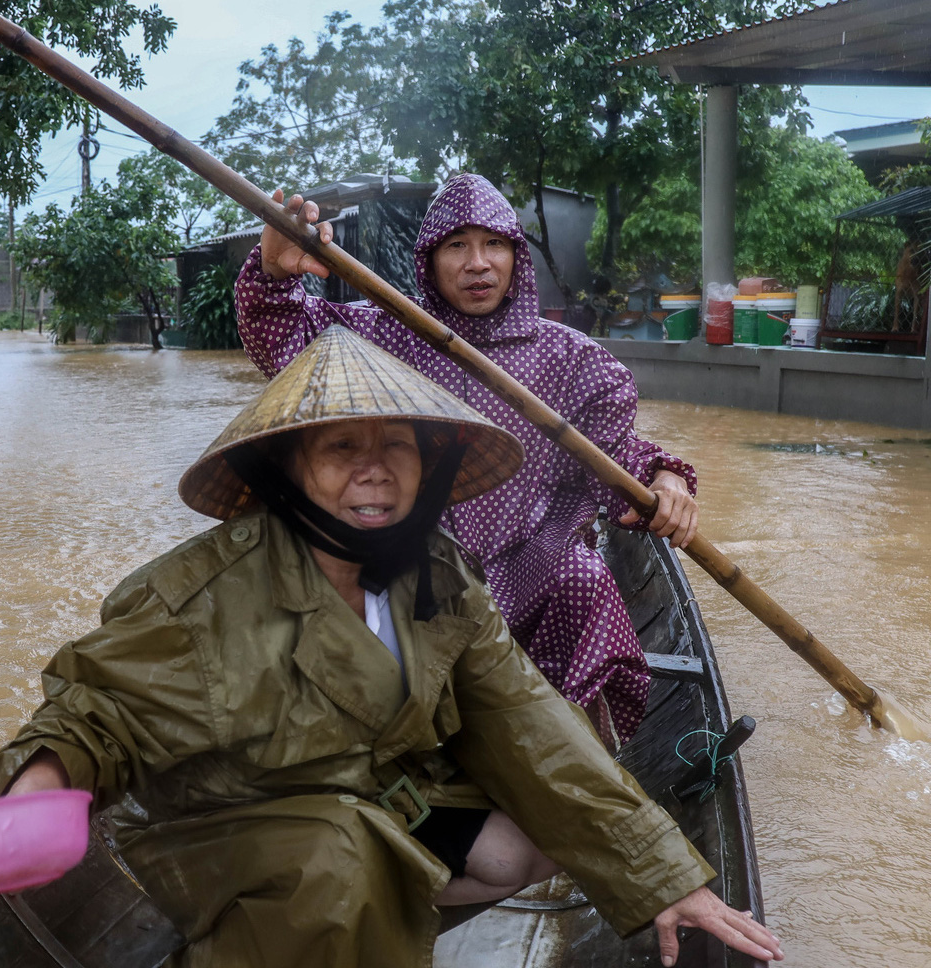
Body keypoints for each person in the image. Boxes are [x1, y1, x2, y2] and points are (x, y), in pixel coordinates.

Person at [0, 325, 780, 968]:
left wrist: (665, 880)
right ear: (288, 470)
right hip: (239, 828)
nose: (373, 470)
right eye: (339, 448)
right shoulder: (199, 594)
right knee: (339, 858)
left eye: (397, 445)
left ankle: (372, 939)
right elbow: (92, 715)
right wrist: (36, 791)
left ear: (428, 465)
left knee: (528, 839)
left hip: (376, 800)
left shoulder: (435, 573)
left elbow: (528, 720)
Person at [236, 173, 697, 746]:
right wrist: (274, 275)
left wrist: (667, 476)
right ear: (429, 261)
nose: (478, 264)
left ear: (516, 257)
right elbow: (285, 346)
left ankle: (579, 753)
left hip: (530, 562)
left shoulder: (574, 360)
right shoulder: (383, 334)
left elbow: (614, 462)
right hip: (414, 562)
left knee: (585, 575)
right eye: (457, 246)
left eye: (494, 244)